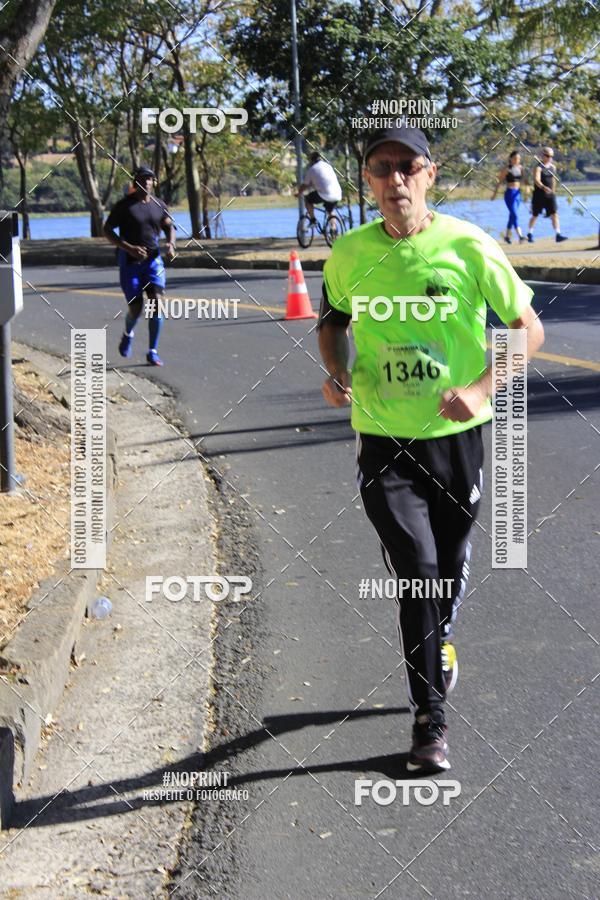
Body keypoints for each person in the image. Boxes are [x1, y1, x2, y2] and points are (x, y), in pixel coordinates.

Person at [318, 126, 544, 772]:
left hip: (457, 441)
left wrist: (479, 388)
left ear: (430, 175)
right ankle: (430, 723)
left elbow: (527, 329)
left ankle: (438, 640)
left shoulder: (469, 247)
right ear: (366, 180)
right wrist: (336, 373)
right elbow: (331, 321)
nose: (395, 181)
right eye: (380, 168)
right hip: (384, 441)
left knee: (445, 568)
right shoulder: (349, 253)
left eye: (407, 167)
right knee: (415, 568)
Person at [104, 166, 176, 366]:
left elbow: (169, 226)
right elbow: (107, 229)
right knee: (136, 309)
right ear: (135, 183)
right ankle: (128, 334)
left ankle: (152, 351)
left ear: (154, 182)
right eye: (142, 179)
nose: (146, 182)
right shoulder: (124, 206)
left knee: (156, 304)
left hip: (153, 262)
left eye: (150, 179)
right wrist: (128, 248)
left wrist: (171, 244)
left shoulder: (159, 205)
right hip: (130, 263)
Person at [527, 147, 568, 243]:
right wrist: (543, 187)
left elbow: (553, 180)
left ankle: (558, 234)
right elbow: (536, 180)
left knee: (554, 214)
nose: (550, 158)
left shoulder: (552, 167)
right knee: (535, 215)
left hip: (550, 195)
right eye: (548, 156)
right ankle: (530, 233)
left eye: (551, 156)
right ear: (543, 156)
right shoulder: (538, 167)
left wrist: (553, 191)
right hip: (539, 195)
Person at [296, 151, 342, 224]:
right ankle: (333, 230)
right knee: (330, 211)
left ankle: (313, 220)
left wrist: (299, 193)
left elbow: (305, 185)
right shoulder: (328, 166)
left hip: (325, 195)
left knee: (308, 200)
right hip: (337, 194)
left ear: (311, 160)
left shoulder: (312, 169)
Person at [491, 150, 528, 243]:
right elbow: (499, 182)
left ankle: (507, 236)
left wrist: (527, 189)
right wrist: (494, 194)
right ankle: (520, 236)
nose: (517, 160)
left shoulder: (521, 168)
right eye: (515, 158)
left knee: (512, 215)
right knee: (514, 214)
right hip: (509, 194)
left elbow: (525, 181)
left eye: (518, 159)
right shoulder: (507, 169)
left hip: (518, 194)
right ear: (510, 159)